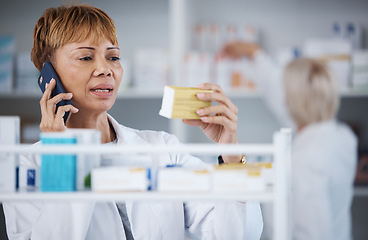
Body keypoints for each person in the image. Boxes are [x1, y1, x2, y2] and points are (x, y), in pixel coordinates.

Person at [2, 5, 263, 240]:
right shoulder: (25, 166)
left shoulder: (163, 149)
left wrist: (231, 156)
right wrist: (63, 155)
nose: (106, 69)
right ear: (48, 75)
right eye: (86, 57)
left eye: (113, 57)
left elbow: (238, 234)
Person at [221, 42, 358, 240]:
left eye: (286, 93)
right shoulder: (341, 137)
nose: (283, 97)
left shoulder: (306, 158)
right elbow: (278, 92)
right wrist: (254, 53)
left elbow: (313, 233)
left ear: (291, 101)